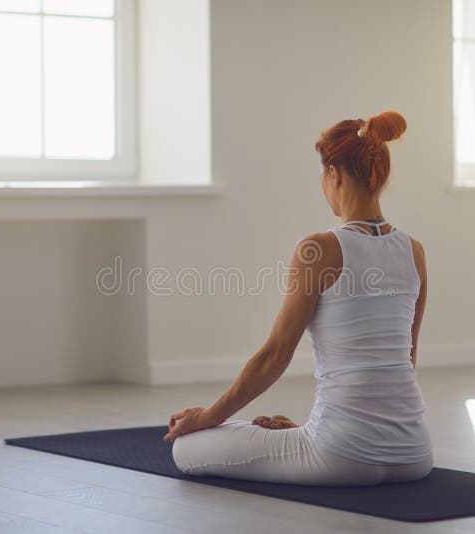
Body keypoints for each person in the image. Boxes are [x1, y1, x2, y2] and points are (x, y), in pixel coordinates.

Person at [163, 110, 432, 486]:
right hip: (415, 454)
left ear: (333, 174)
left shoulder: (318, 250)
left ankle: (309, 436)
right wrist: (313, 428)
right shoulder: (414, 251)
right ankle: (312, 433)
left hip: (339, 457)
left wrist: (208, 417)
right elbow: (404, 361)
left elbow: (275, 356)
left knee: (185, 449)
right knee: (294, 435)